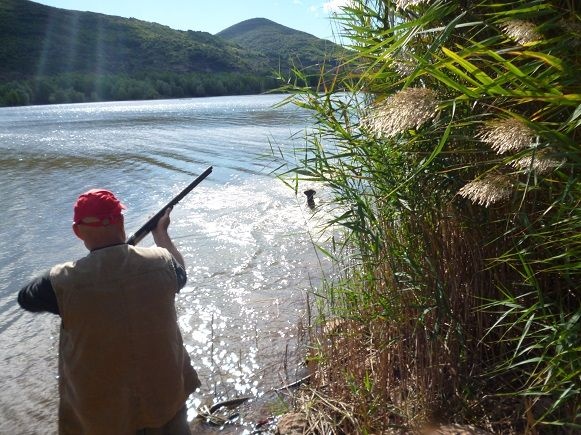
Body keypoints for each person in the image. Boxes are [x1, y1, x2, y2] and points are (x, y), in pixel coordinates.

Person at [18, 189, 201, 435]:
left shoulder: (62, 281)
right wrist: (161, 234)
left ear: (77, 231)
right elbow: (181, 274)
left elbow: (25, 298)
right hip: (166, 402)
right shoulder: (161, 261)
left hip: (104, 419)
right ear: (122, 222)